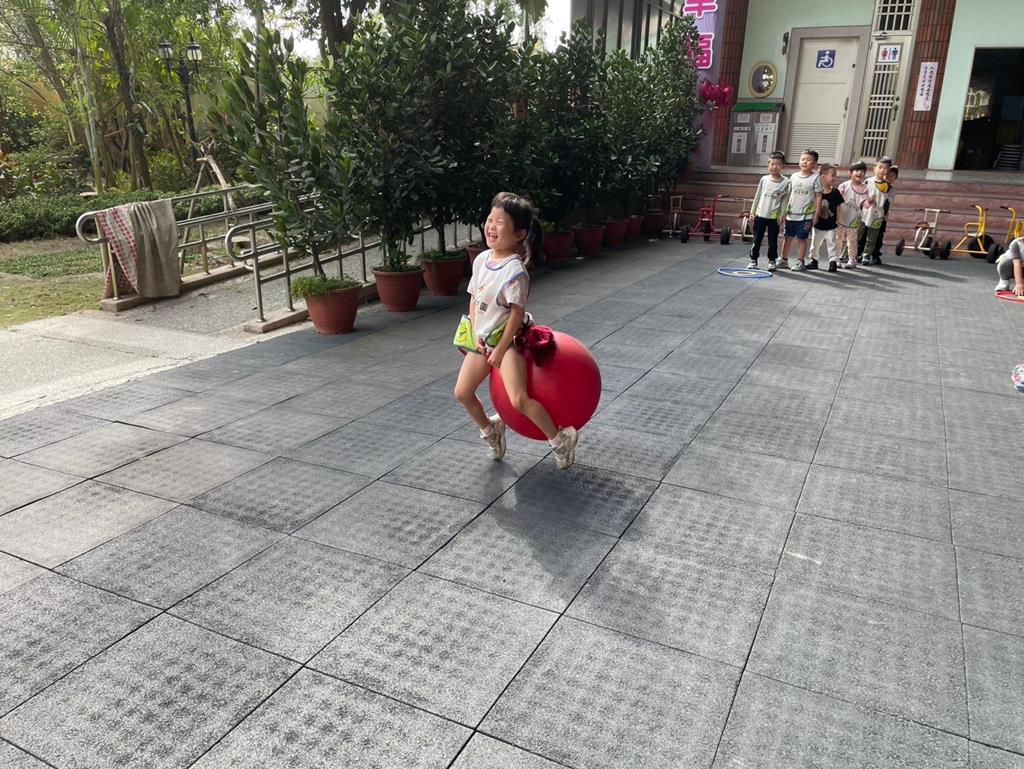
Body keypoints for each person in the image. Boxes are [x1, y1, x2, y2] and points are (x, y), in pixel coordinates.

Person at [453, 191, 578, 469]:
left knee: (519, 399)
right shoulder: (481, 259)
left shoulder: (515, 271)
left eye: (500, 223)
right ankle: (491, 430)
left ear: (519, 234)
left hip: (510, 341)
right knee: (462, 392)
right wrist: (476, 334)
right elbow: (474, 298)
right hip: (483, 340)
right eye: (490, 219)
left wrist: (500, 350)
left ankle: (560, 439)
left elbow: (516, 314)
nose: (491, 226)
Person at [779, 149, 823, 271]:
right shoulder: (793, 177)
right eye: (802, 159)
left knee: (802, 238)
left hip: (806, 216)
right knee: (787, 237)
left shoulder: (816, 178)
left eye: (808, 160)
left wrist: (816, 214)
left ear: (815, 164)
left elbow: (818, 197)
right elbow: (788, 194)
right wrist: (783, 212)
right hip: (791, 214)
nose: (804, 162)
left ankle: (800, 261)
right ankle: (783, 260)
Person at [746, 151, 789, 271]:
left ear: (783, 166)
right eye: (772, 164)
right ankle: (753, 259)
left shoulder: (786, 182)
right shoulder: (764, 179)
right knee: (757, 239)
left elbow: (785, 200)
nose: (775, 167)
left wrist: (782, 214)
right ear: (768, 165)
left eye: (778, 164)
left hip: (774, 217)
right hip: (760, 215)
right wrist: (752, 211)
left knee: (773, 240)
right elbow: (757, 196)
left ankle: (772, 260)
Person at [807, 163, 844, 272]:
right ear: (823, 176)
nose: (835, 177)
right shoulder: (816, 193)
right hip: (818, 223)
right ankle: (814, 260)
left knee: (832, 243)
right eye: (832, 175)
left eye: (835, 175)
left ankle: (833, 261)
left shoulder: (835, 192)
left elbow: (839, 207)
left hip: (831, 224)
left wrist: (838, 220)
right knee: (815, 243)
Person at [860, 156, 893, 265]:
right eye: (880, 167)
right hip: (865, 213)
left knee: (872, 237)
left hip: (878, 214)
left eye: (885, 168)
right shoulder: (867, 182)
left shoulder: (888, 186)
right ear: (874, 169)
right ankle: (853, 253)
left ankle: (866, 255)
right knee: (859, 234)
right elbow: (861, 196)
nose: (882, 170)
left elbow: (888, 201)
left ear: (888, 170)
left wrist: (886, 213)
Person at [838, 161, 869, 269]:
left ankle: (852, 259)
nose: (859, 173)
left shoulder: (865, 188)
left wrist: (870, 202)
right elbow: (837, 200)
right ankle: (835, 258)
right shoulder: (844, 186)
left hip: (854, 219)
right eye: (856, 170)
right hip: (841, 217)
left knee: (852, 240)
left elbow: (865, 204)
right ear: (850, 173)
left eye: (862, 171)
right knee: (838, 238)